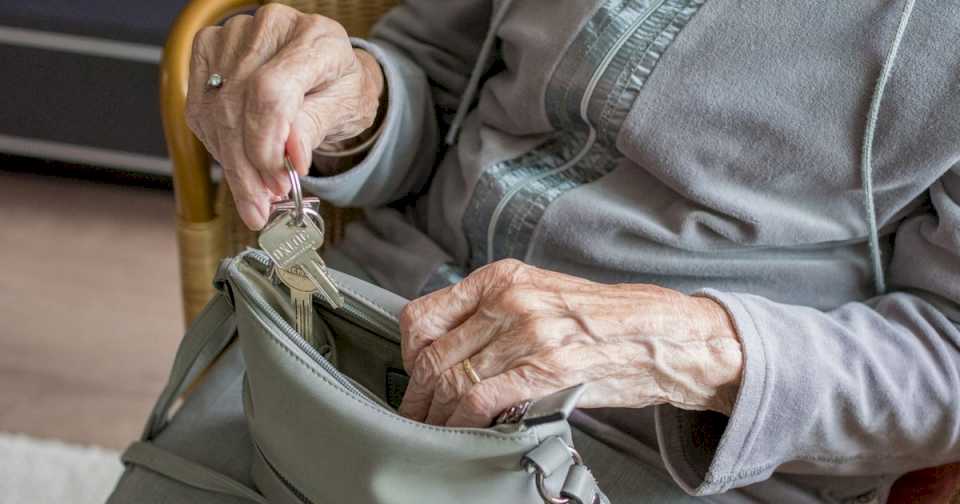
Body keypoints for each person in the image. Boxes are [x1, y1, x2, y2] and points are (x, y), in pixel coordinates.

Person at [185, 1, 960, 501]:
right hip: (358, 330)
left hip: (660, 446)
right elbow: (437, 83)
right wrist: (351, 101)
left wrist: (672, 345)